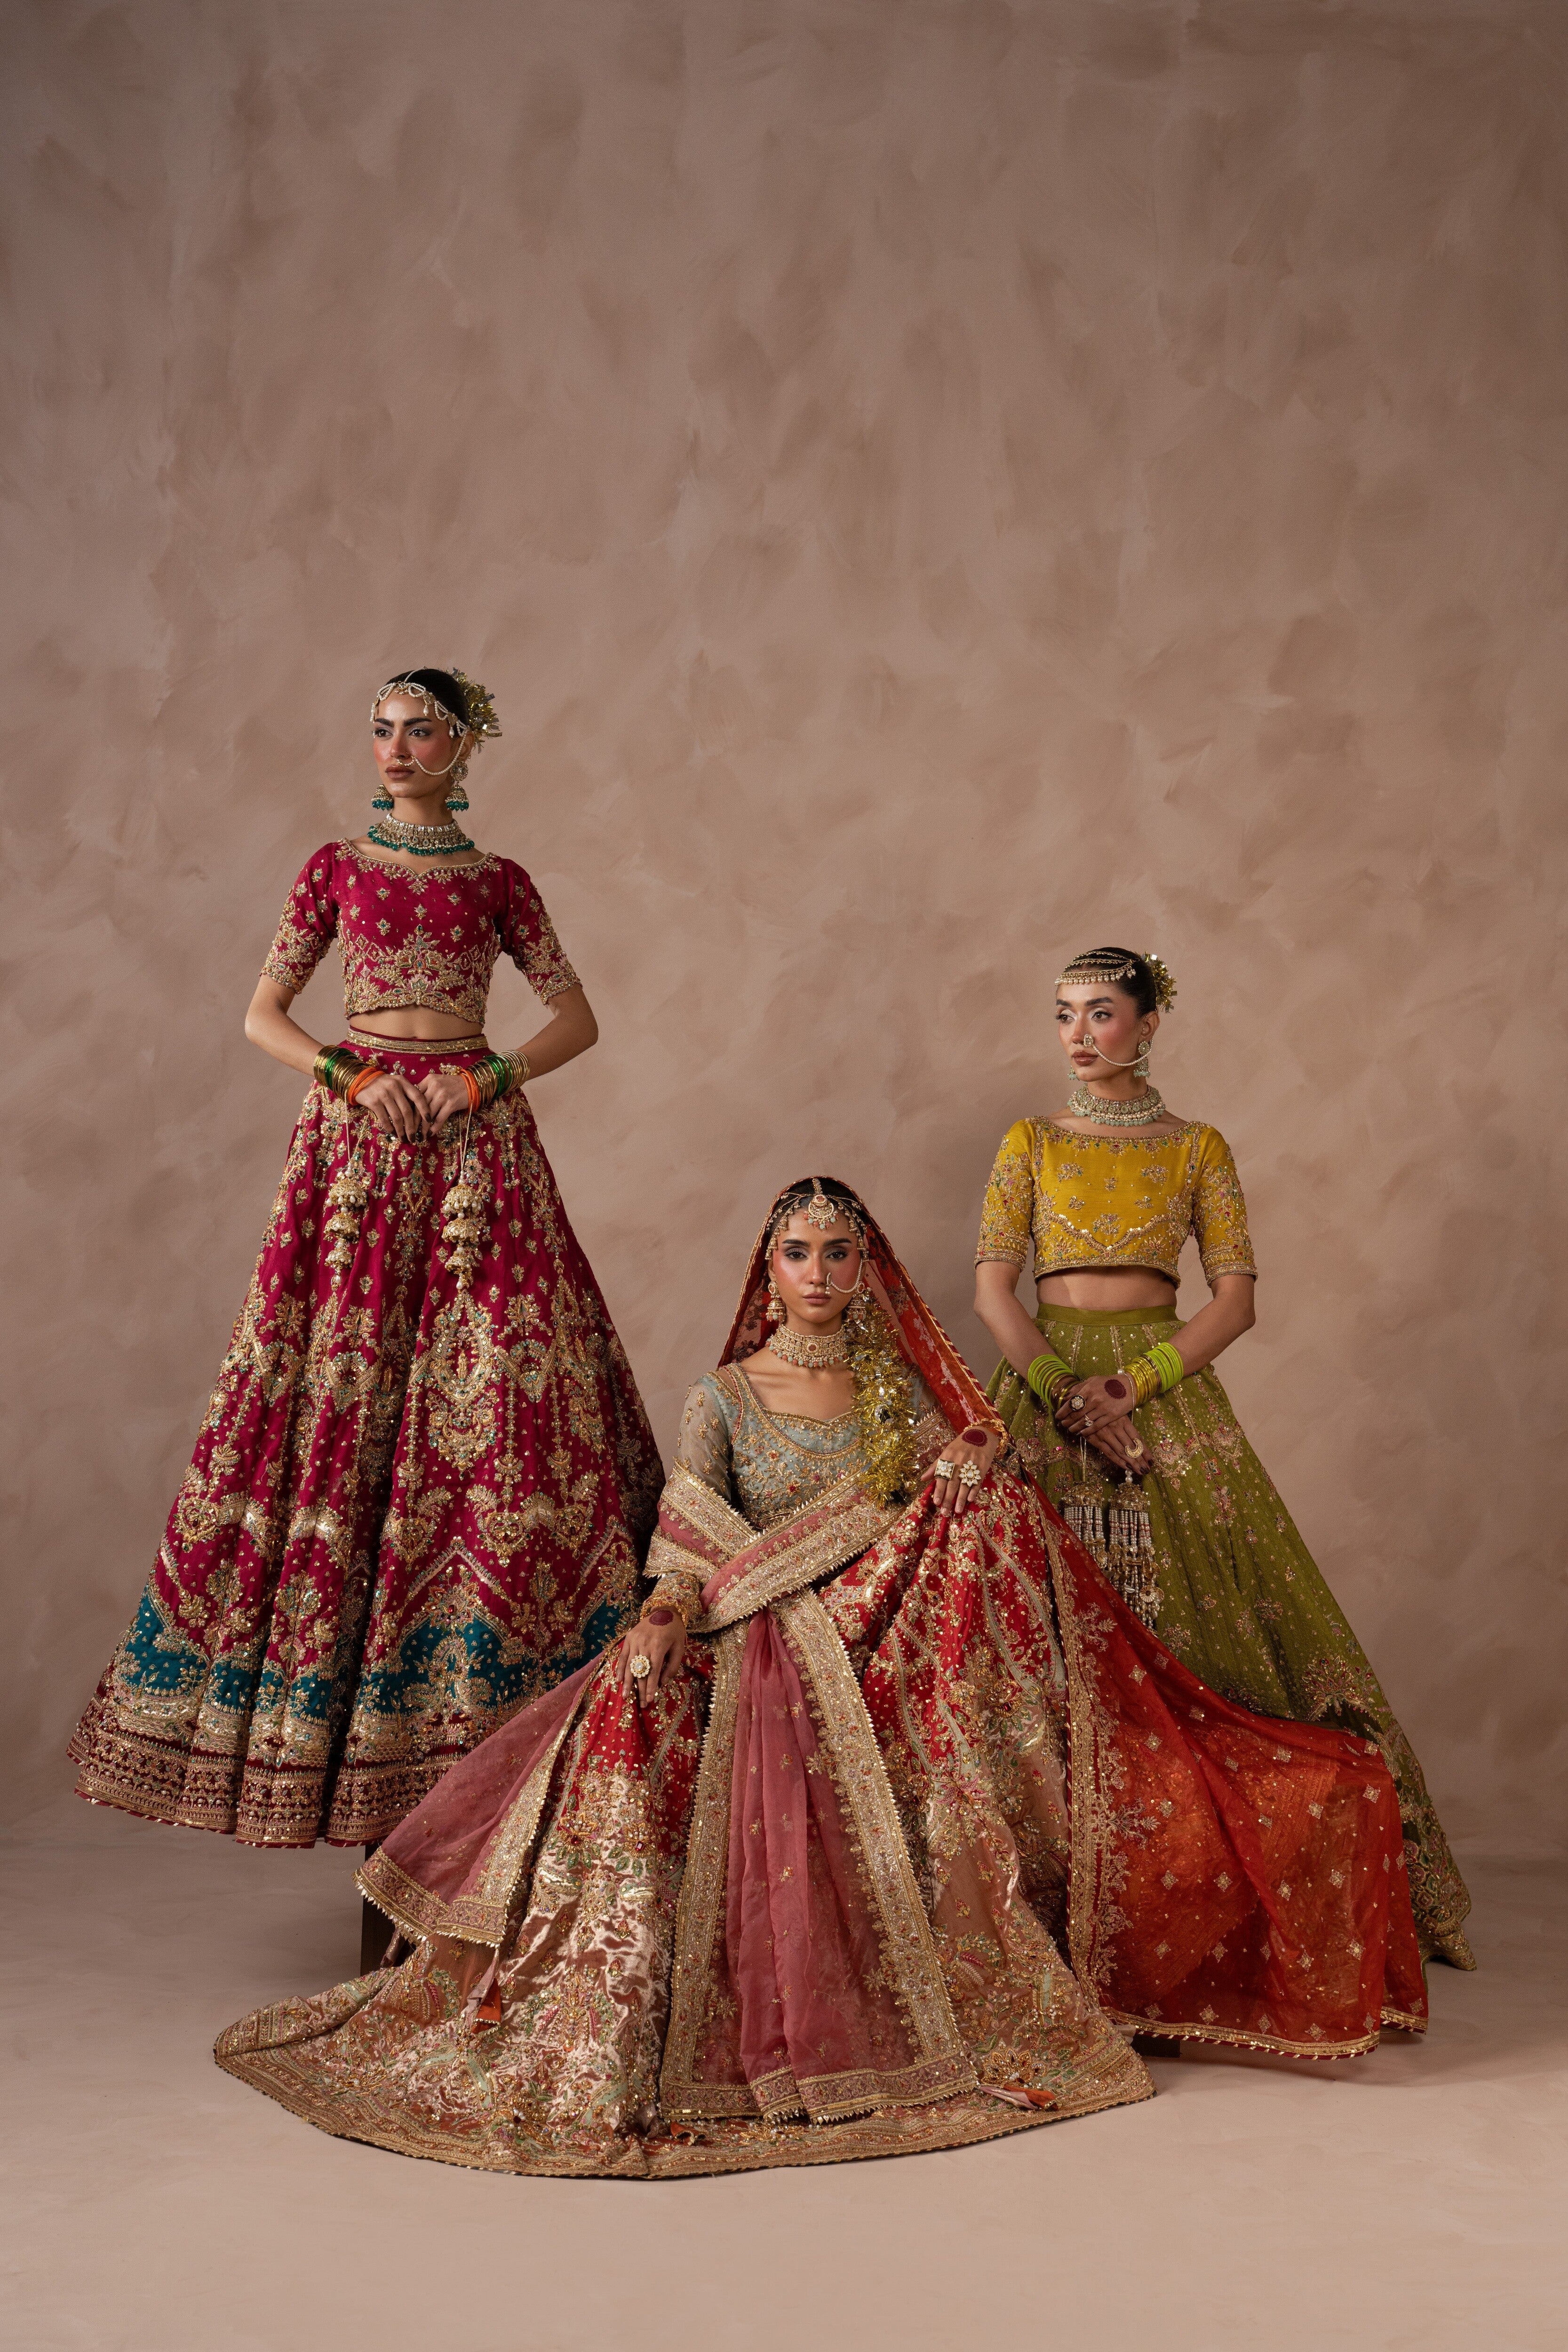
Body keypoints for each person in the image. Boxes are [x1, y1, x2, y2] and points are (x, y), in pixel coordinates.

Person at [215, 1177, 1427, 2181]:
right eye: (796, 1251)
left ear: (864, 1267)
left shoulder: (895, 1389)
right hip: (746, 1627)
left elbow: (934, 1509)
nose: (817, 1271)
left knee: (984, 1512)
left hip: (880, 1636)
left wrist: (969, 1457)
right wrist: (662, 1613)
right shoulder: (724, 1394)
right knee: (630, 1715)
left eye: (838, 1252)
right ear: (769, 1265)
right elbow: (688, 1528)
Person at [71, 668, 663, 1852]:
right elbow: (263, 1014)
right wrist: (348, 1074)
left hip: (476, 1144)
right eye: (382, 730)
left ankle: (486, 1728)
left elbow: (576, 1018)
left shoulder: (499, 881)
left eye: (421, 730)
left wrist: (486, 1076)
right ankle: (331, 1737)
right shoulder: (334, 867)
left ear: (465, 745)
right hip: (355, 1149)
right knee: (340, 1390)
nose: (396, 748)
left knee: (496, 1407)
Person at [974, 945, 1473, 1970]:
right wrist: (1066, 1395)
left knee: (1201, 1621)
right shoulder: (1029, 1140)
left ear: (1148, 1022)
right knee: (1034, 1632)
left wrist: (1131, 1389)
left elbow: (1235, 1301)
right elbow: (992, 1291)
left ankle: (1193, 1895)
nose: (1077, 1033)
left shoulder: (1196, 1147)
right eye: (1063, 1013)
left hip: (1158, 1393)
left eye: (1100, 1012)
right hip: (1043, 1385)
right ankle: (1051, 1899)